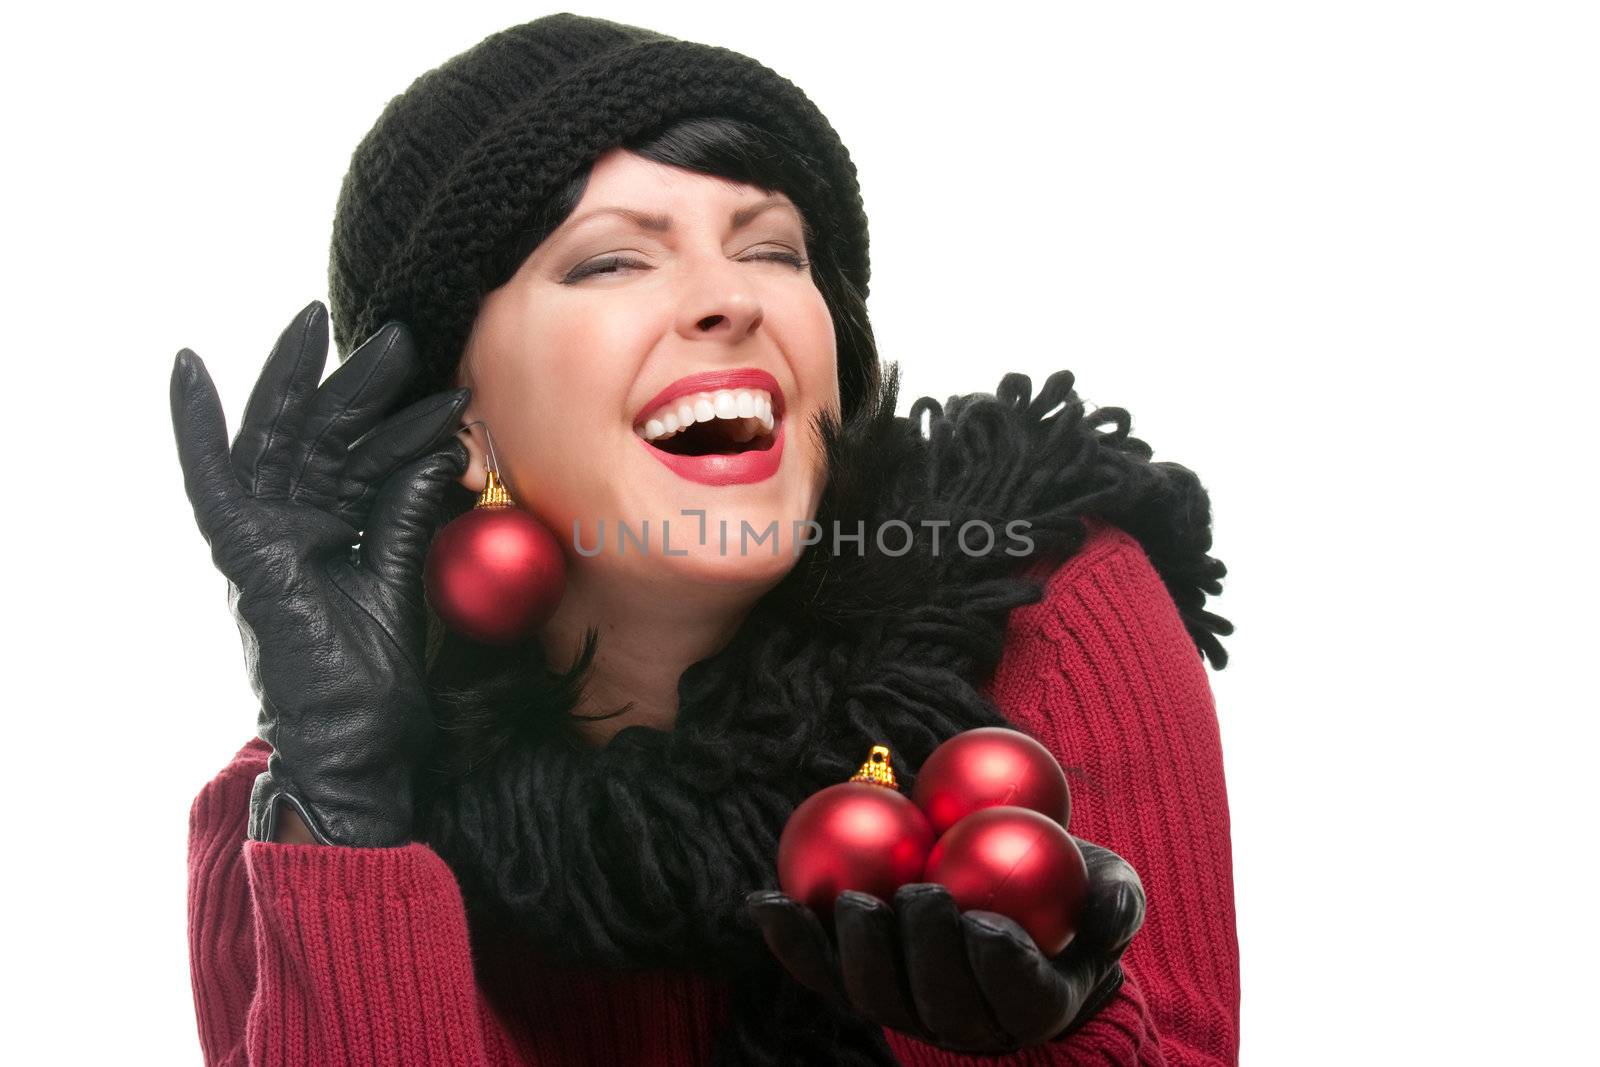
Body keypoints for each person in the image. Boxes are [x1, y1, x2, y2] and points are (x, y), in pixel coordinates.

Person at [172, 13, 1239, 1066]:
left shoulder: (1046, 612)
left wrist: (1041, 1041)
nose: (730, 297)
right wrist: (350, 818)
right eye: (611, 263)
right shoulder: (288, 832)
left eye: (773, 249)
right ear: (456, 416)